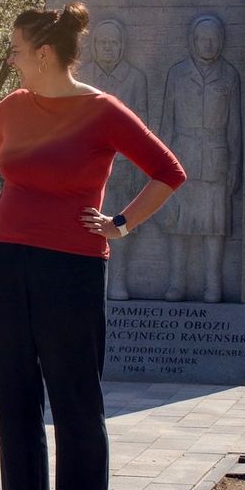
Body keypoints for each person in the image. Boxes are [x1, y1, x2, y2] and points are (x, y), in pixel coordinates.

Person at [0, 3, 186, 490]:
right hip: (5, 265)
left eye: (15, 50)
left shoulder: (102, 111)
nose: (10, 59)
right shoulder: (14, 106)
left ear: (43, 54)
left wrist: (121, 223)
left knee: (77, 397)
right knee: (13, 394)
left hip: (74, 267)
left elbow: (168, 172)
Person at [158, 13, 241, 303]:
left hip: (216, 159)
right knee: (179, 223)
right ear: (192, 41)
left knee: (214, 225)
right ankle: (177, 282)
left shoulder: (229, 74)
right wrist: (159, 165)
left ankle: (213, 285)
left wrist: (235, 165)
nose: (208, 44)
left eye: (213, 39)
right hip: (182, 155)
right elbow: (166, 122)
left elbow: (235, 126)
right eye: (202, 38)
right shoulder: (177, 73)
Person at [75, 18, 152, 300]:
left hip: (124, 166)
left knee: (120, 222)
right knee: (86, 223)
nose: (108, 48)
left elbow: (142, 123)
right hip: (86, 167)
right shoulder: (82, 76)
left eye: (114, 43)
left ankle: (118, 280)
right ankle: (90, 281)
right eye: (103, 42)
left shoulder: (136, 78)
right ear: (94, 45)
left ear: (122, 46)